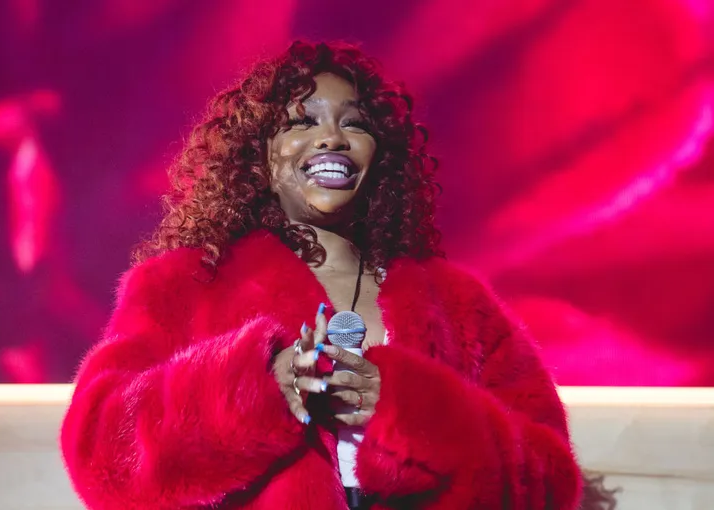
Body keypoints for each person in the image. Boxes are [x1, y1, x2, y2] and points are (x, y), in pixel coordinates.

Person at [60, 40, 589, 509]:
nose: (332, 137)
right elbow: (100, 451)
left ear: (379, 159)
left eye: (354, 124)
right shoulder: (185, 284)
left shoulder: (456, 303)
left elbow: (550, 480)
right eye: (302, 122)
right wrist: (254, 390)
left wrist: (415, 413)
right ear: (261, 157)